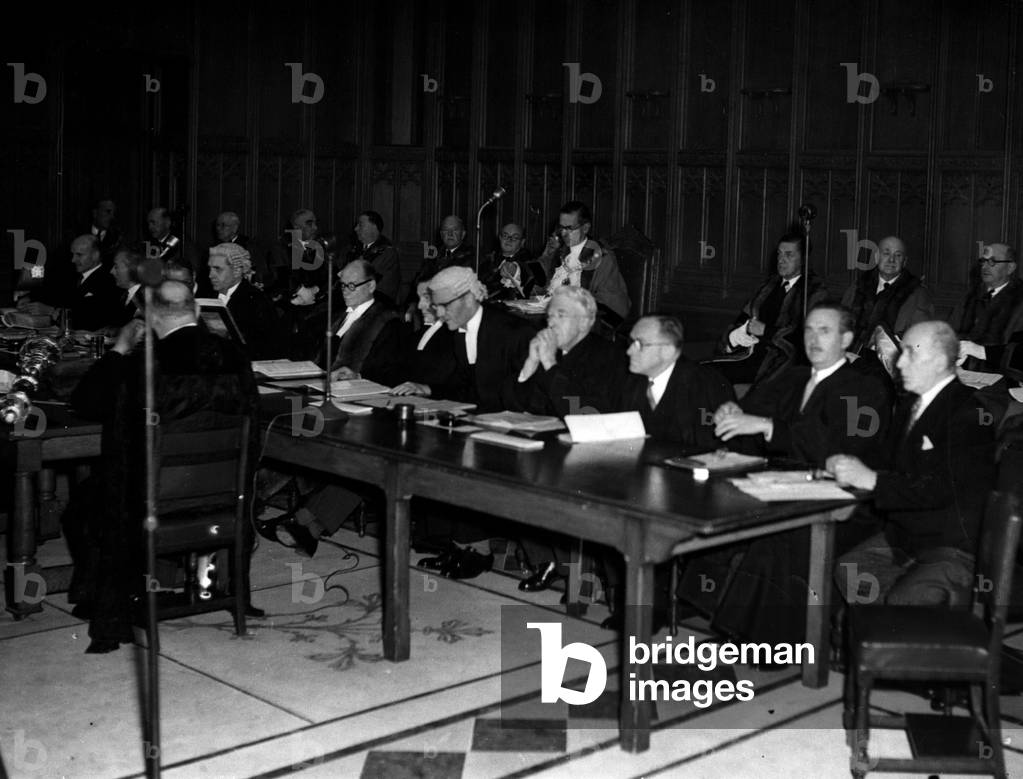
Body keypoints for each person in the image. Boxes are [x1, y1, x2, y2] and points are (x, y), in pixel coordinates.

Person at [67, 280, 260, 653]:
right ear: (199, 312)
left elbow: (86, 402)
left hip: (149, 505)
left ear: (151, 318)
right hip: (224, 497)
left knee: (84, 504)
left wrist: (119, 350)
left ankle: (109, 603)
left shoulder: (142, 363)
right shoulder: (236, 356)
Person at [688, 304, 893, 646]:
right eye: (809, 330)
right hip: (787, 487)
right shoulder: (793, 376)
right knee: (721, 506)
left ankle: (764, 641)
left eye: (824, 331)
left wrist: (769, 427)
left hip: (848, 499)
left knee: (779, 533)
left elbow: (837, 450)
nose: (813, 338)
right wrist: (732, 412)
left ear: (846, 338)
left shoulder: (864, 388)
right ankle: (720, 615)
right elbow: (750, 415)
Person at [830, 320, 997, 607]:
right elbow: (887, 461)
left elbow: (941, 488)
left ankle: (908, 638)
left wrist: (871, 481)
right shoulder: (911, 405)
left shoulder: (969, 412)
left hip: (952, 549)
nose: (899, 363)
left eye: (910, 353)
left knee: (902, 598)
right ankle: (891, 638)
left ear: (940, 361)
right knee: (844, 566)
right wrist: (848, 466)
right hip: (907, 538)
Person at [392, 265, 533, 412]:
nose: (439, 314)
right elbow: (465, 389)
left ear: (469, 299)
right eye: (435, 306)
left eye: (444, 306)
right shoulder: (460, 331)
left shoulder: (513, 333)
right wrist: (427, 389)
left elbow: (529, 398)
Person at [711, 231, 826, 387]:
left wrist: (767, 331)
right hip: (749, 355)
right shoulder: (769, 285)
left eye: (789, 255)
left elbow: (809, 337)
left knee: (711, 377)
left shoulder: (814, 292)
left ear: (804, 259)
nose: (781, 260)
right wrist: (735, 336)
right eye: (779, 254)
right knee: (703, 371)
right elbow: (743, 319)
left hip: (780, 363)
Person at [509, 286, 627, 417]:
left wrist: (550, 364)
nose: (551, 324)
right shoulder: (547, 350)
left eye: (561, 315)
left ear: (584, 322)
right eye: (550, 316)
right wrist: (530, 365)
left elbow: (586, 413)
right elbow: (512, 409)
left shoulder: (609, 357)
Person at [621, 315, 733, 448]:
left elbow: (713, 447)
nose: (629, 351)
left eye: (639, 344)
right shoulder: (631, 380)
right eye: (631, 342)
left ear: (668, 351)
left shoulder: (705, 385)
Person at [537, 201, 630, 328]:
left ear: (585, 228)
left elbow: (613, 302)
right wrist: (516, 270)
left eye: (570, 228)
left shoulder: (601, 257)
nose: (564, 233)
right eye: (561, 228)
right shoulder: (560, 251)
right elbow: (542, 272)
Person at [841, 235, 934, 352]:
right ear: (876, 257)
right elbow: (840, 325)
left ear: (904, 261)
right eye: (886, 253)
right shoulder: (858, 286)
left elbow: (919, 340)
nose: (891, 260)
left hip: (891, 363)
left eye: (898, 255)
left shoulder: (917, 295)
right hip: (849, 356)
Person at [325, 259, 404, 385]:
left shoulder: (388, 322)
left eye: (352, 286)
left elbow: (389, 370)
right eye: (343, 285)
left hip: (355, 391)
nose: (345, 291)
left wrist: (358, 376)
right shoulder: (336, 315)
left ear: (371, 286)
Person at [954, 243, 1023, 369]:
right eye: (983, 261)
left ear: (1010, 268)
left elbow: (1019, 352)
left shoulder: (1019, 301)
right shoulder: (970, 296)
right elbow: (951, 331)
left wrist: (981, 352)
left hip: (1002, 377)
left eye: (993, 262)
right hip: (963, 372)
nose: (985, 267)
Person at [208, 242, 281, 359]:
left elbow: (265, 348)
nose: (210, 275)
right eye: (210, 269)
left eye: (217, 269)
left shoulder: (256, 301)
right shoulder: (206, 295)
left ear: (237, 271)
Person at [346, 210, 401, 306]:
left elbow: (369, 281)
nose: (356, 229)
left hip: (377, 305)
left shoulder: (387, 252)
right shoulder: (353, 251)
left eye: (360, 225)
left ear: (374, 227)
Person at [479, 223, 546, 300]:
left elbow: (539, 282)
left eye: (515, 237)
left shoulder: (531, 262)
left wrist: (515, 271)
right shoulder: (489, 260)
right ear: (500, 238)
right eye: (505, 236)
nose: (509, 240)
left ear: (522, 242)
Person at [108, 246, 145, 329]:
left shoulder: (146, 298)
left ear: (132, 268)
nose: (112, 271)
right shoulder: (123, 295)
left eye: (116, 266)